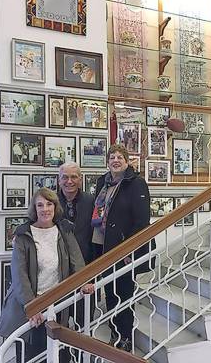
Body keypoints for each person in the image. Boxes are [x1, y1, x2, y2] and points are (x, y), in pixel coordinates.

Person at [0, 188, 94, 362]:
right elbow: (19, 276)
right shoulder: (22, 235)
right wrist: (32, 306)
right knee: (31, 354)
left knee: (57, 353)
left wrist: (83, 283)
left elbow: (77, 262)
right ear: (34, 209)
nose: (45, 209)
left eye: (49, 204)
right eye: (40, 205)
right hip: (29, 303)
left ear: (55, 207)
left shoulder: (65, 231)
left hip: (56, 303)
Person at [92, 144, 155, 352]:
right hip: (105, 248)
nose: (115, 160)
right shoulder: (104, 182)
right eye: (112, 157)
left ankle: (125, 339)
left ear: (127, 162)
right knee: (110, 293)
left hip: (124, 250)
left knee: (124, 294)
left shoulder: (136, 184)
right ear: (107, 162)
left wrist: (131, 250)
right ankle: (114, 334)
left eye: (120, 157)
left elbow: (142, 221)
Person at [58, 162, 95, 265]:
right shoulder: (51, 203)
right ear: (59, 180)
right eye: (65, 177)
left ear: (80, 179)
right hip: (59, 261)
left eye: (73, 177)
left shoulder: (91, 201)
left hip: (86, 261)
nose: (69, 181)